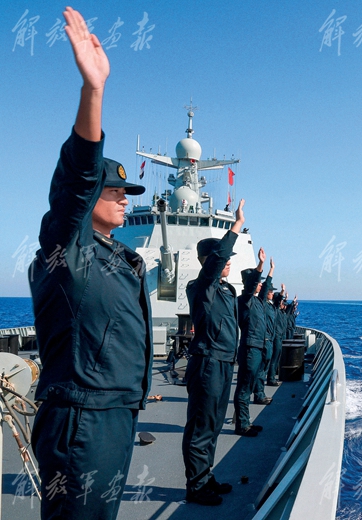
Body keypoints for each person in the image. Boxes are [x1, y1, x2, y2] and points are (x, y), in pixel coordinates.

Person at [28, 8, 152, 519]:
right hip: (82, 420)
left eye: (127, 192)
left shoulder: (121, 259)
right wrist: (93, 91)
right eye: (114, 190)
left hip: (117, 414)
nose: (123, 199)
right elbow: (76, 180)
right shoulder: (66, 249)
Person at [182, 199, 246, 506]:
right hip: (207, 363)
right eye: (223, 259)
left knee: (214, 425)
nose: (228, 262)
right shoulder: (202, 287)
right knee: (201, 427)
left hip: (223, 363)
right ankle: (196, 487)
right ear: (208, 262)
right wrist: (236, 226)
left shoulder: (225, 289)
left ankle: (206, 477)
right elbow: (215, 265)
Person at [233, 249, 274, 437]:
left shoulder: (258, 302)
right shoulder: (245, 300)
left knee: (249, 386)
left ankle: (246, 421)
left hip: (258, 348)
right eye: (258, 282)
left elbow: (265, 289)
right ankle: (242, 425)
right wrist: (261, 264)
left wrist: (271, 271)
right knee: (244, 387)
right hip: (250, 349)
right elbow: (251, 286)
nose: (260, 285)